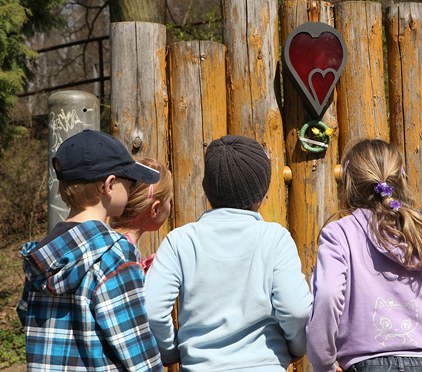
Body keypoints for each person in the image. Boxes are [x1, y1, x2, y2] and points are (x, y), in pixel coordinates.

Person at [306, 138, 422, 372]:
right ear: (402, 178)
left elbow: (328, 295)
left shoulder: (339, 234)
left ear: (348, 181)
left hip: (363, 364)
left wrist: (323, 362)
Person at [145, 134, 313, 371]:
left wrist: (170, 352)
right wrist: (297, 347)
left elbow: (151, 309)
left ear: (205, 188)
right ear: (263, 190)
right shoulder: (274, 239)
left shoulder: (180, 241)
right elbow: (296, 310)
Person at [17, 129, 164, 371]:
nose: (132, 189)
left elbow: (26, 313)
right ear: (109, 185)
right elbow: (137, 349)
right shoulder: (114, 253)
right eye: (131, 182)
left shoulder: (42, 254)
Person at [110, 157, 174, 274]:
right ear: (155, 209)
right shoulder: (126, 255)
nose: (171, 207)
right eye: (170, 201)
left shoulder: (110, 243)